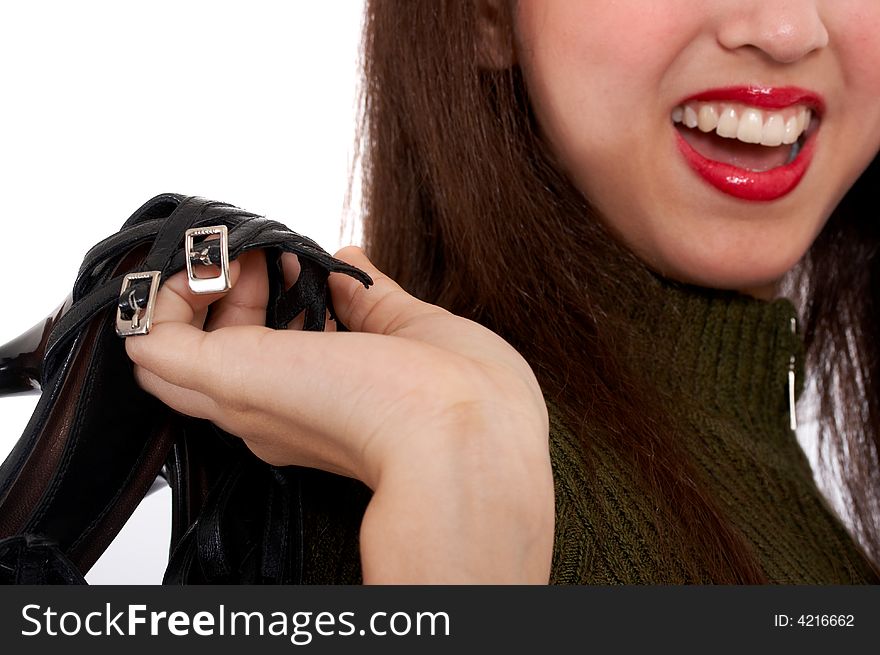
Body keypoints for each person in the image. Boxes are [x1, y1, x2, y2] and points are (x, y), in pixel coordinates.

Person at [122, 1, 880, 584]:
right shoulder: (394, 510)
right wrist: (459, 481)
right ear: (488, 12)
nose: (785, 29)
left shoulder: (793, 508)